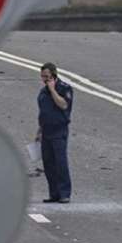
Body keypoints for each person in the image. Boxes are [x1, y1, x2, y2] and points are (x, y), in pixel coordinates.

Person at [36, 63, 73, 203]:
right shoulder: (42, 92)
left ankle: (65, 193)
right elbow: (43, 112)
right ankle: (54, 193)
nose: (44, 79)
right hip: (46, 130)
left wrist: (52, 90)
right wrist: (39, 131)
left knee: (60, 162)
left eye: (47, 76)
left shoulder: (64, 88)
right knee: (48, 163)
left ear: (54, 75)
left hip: (59, 130)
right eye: (42, 77)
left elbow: (63, 105)